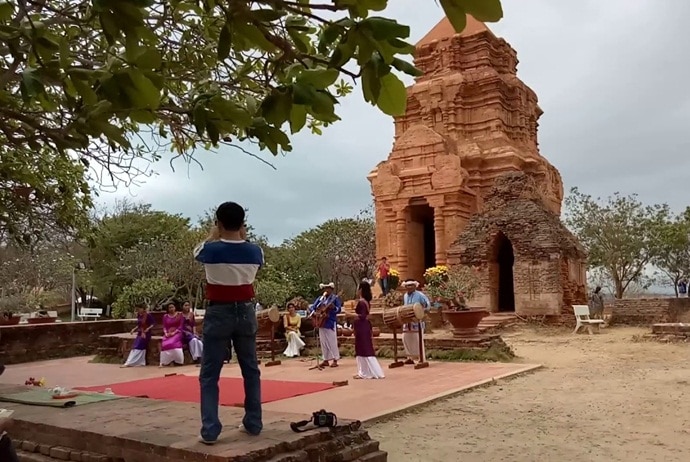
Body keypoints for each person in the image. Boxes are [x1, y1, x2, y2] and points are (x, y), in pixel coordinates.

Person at [194, 201, 264, 444]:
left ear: (218, 223)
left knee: (210, 373)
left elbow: (197, 252)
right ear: (243, 224)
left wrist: (215, 234)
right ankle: (253, 422)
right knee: (250, 369)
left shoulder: (209, 250)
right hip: (246, 310)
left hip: (219, 311)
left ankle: (211, 429)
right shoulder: (256, 252)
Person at [353, 280, 385, 380]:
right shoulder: (365, 301)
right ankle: (363, 372)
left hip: (362, 327)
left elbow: (362, 316)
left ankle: (367, 372)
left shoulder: (362, 303)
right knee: (361, 349)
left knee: (365, 349)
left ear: (361, 290)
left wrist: (351, 315)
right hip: (362, 327)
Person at [309, 282, 342, 368]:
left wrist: (333, 307)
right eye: (325, 288)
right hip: (321, 322)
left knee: (332, 341)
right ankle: (326, 359)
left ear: (331, 290)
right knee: (323, 342)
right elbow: (312, 307)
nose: (326, 290)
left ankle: (335, 359)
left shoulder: (335, 298)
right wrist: (316, 313)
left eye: (328, 288)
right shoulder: (320, 298)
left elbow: (339, 309)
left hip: (330, 322)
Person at [401, 279, 430, 365]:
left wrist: (420, 311)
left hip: (417, 322)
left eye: (411, 285)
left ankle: (421, 358)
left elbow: (428, 305)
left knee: (418, 339)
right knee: (405, 338)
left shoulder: (420, 295)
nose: (409, 287)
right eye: (407, 285)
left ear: (415, 286)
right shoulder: (405, 296)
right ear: (405, 287)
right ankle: (410, 357)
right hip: (407, 322)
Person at [121, 303, 155, 368]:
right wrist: (134, 329)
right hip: (140, 332)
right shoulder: (139, 315)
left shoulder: (148, 315)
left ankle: (130, 362)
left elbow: (153, 323)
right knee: (135, 346)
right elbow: (139, 324)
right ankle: (139, 361)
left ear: (143, 308)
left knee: (138, 346)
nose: (138, 310)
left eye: (139, 309)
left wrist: (148, 329)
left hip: (146, 333)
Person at [160, 302, 185, 367]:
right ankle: (166, 361)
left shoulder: (180, 315)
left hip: (177, 332)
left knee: (172, 342)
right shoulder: (165, 316)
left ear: (175, 307)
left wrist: (174, 332)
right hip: (168, 333)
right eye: (169, 308)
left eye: (172, 307)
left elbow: (181, 326)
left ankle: (178, 360)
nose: (171, 309)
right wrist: (166, 333)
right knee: (164, 343)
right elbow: (164, 326)